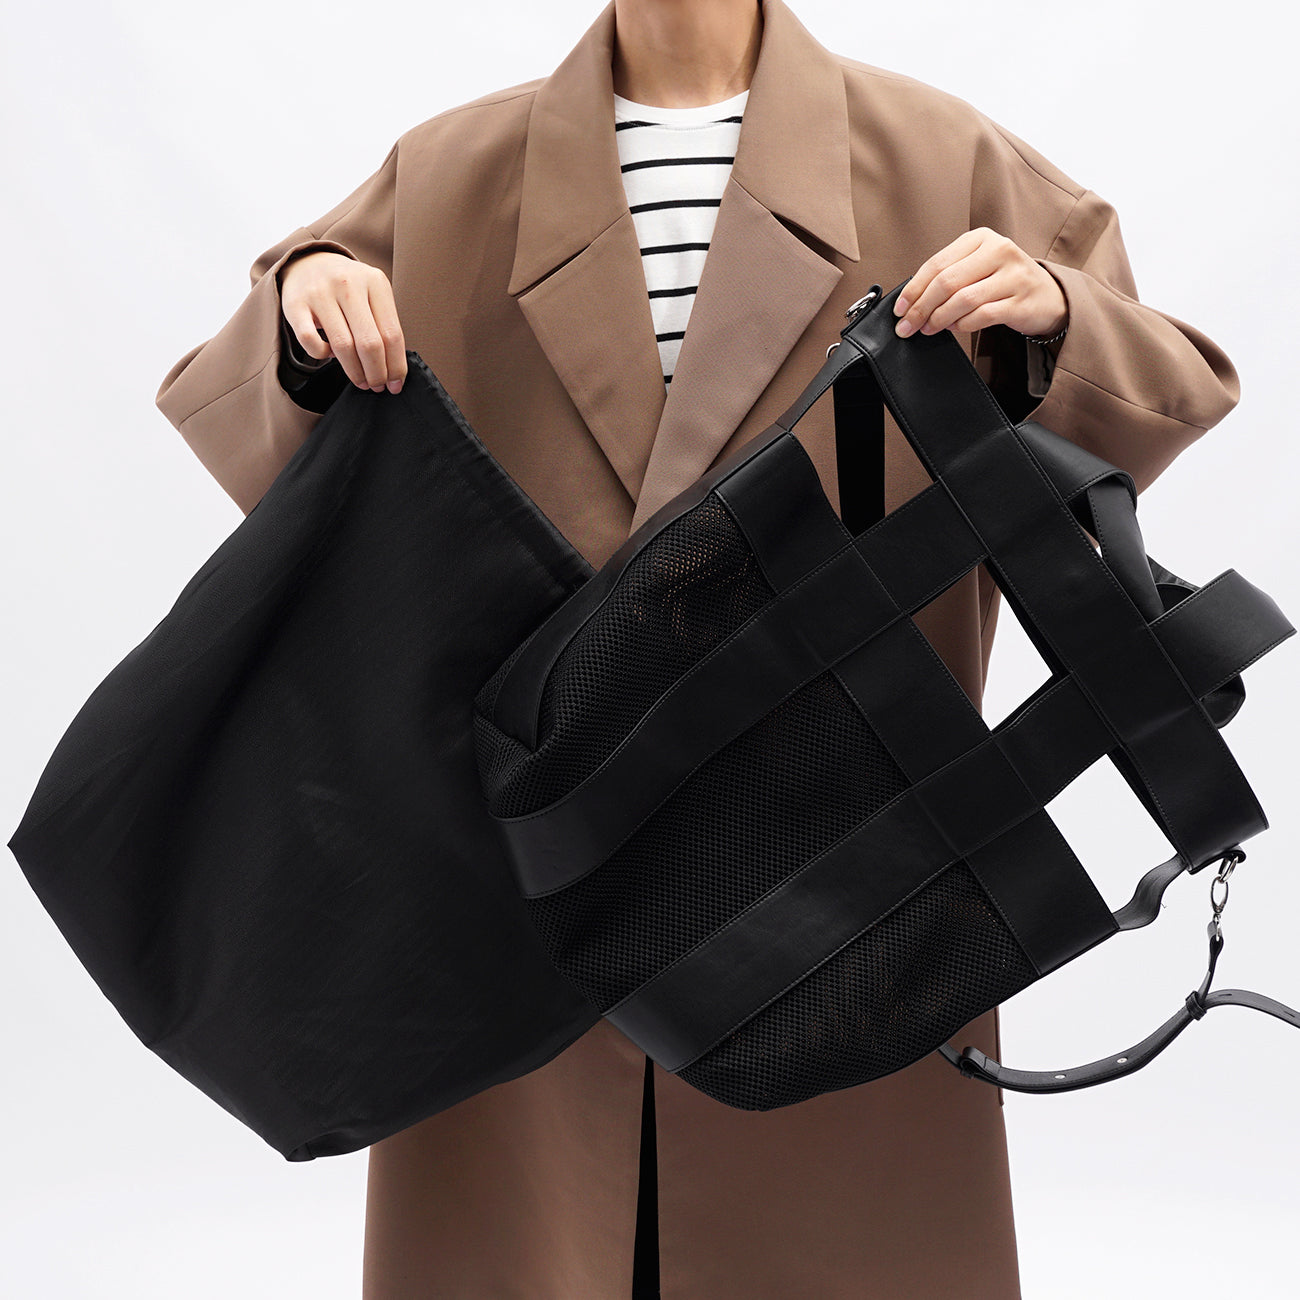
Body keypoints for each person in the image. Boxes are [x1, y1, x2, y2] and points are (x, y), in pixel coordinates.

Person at [155, 1, 1240, 1295]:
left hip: (847, 871)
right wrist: (307, 317)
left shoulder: (940, 155)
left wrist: (1051, 317)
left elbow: (1156, 392)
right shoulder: (451, 173)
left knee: (843, 1243)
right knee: (528, 1244)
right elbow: (265, 423)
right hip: (535, 860)